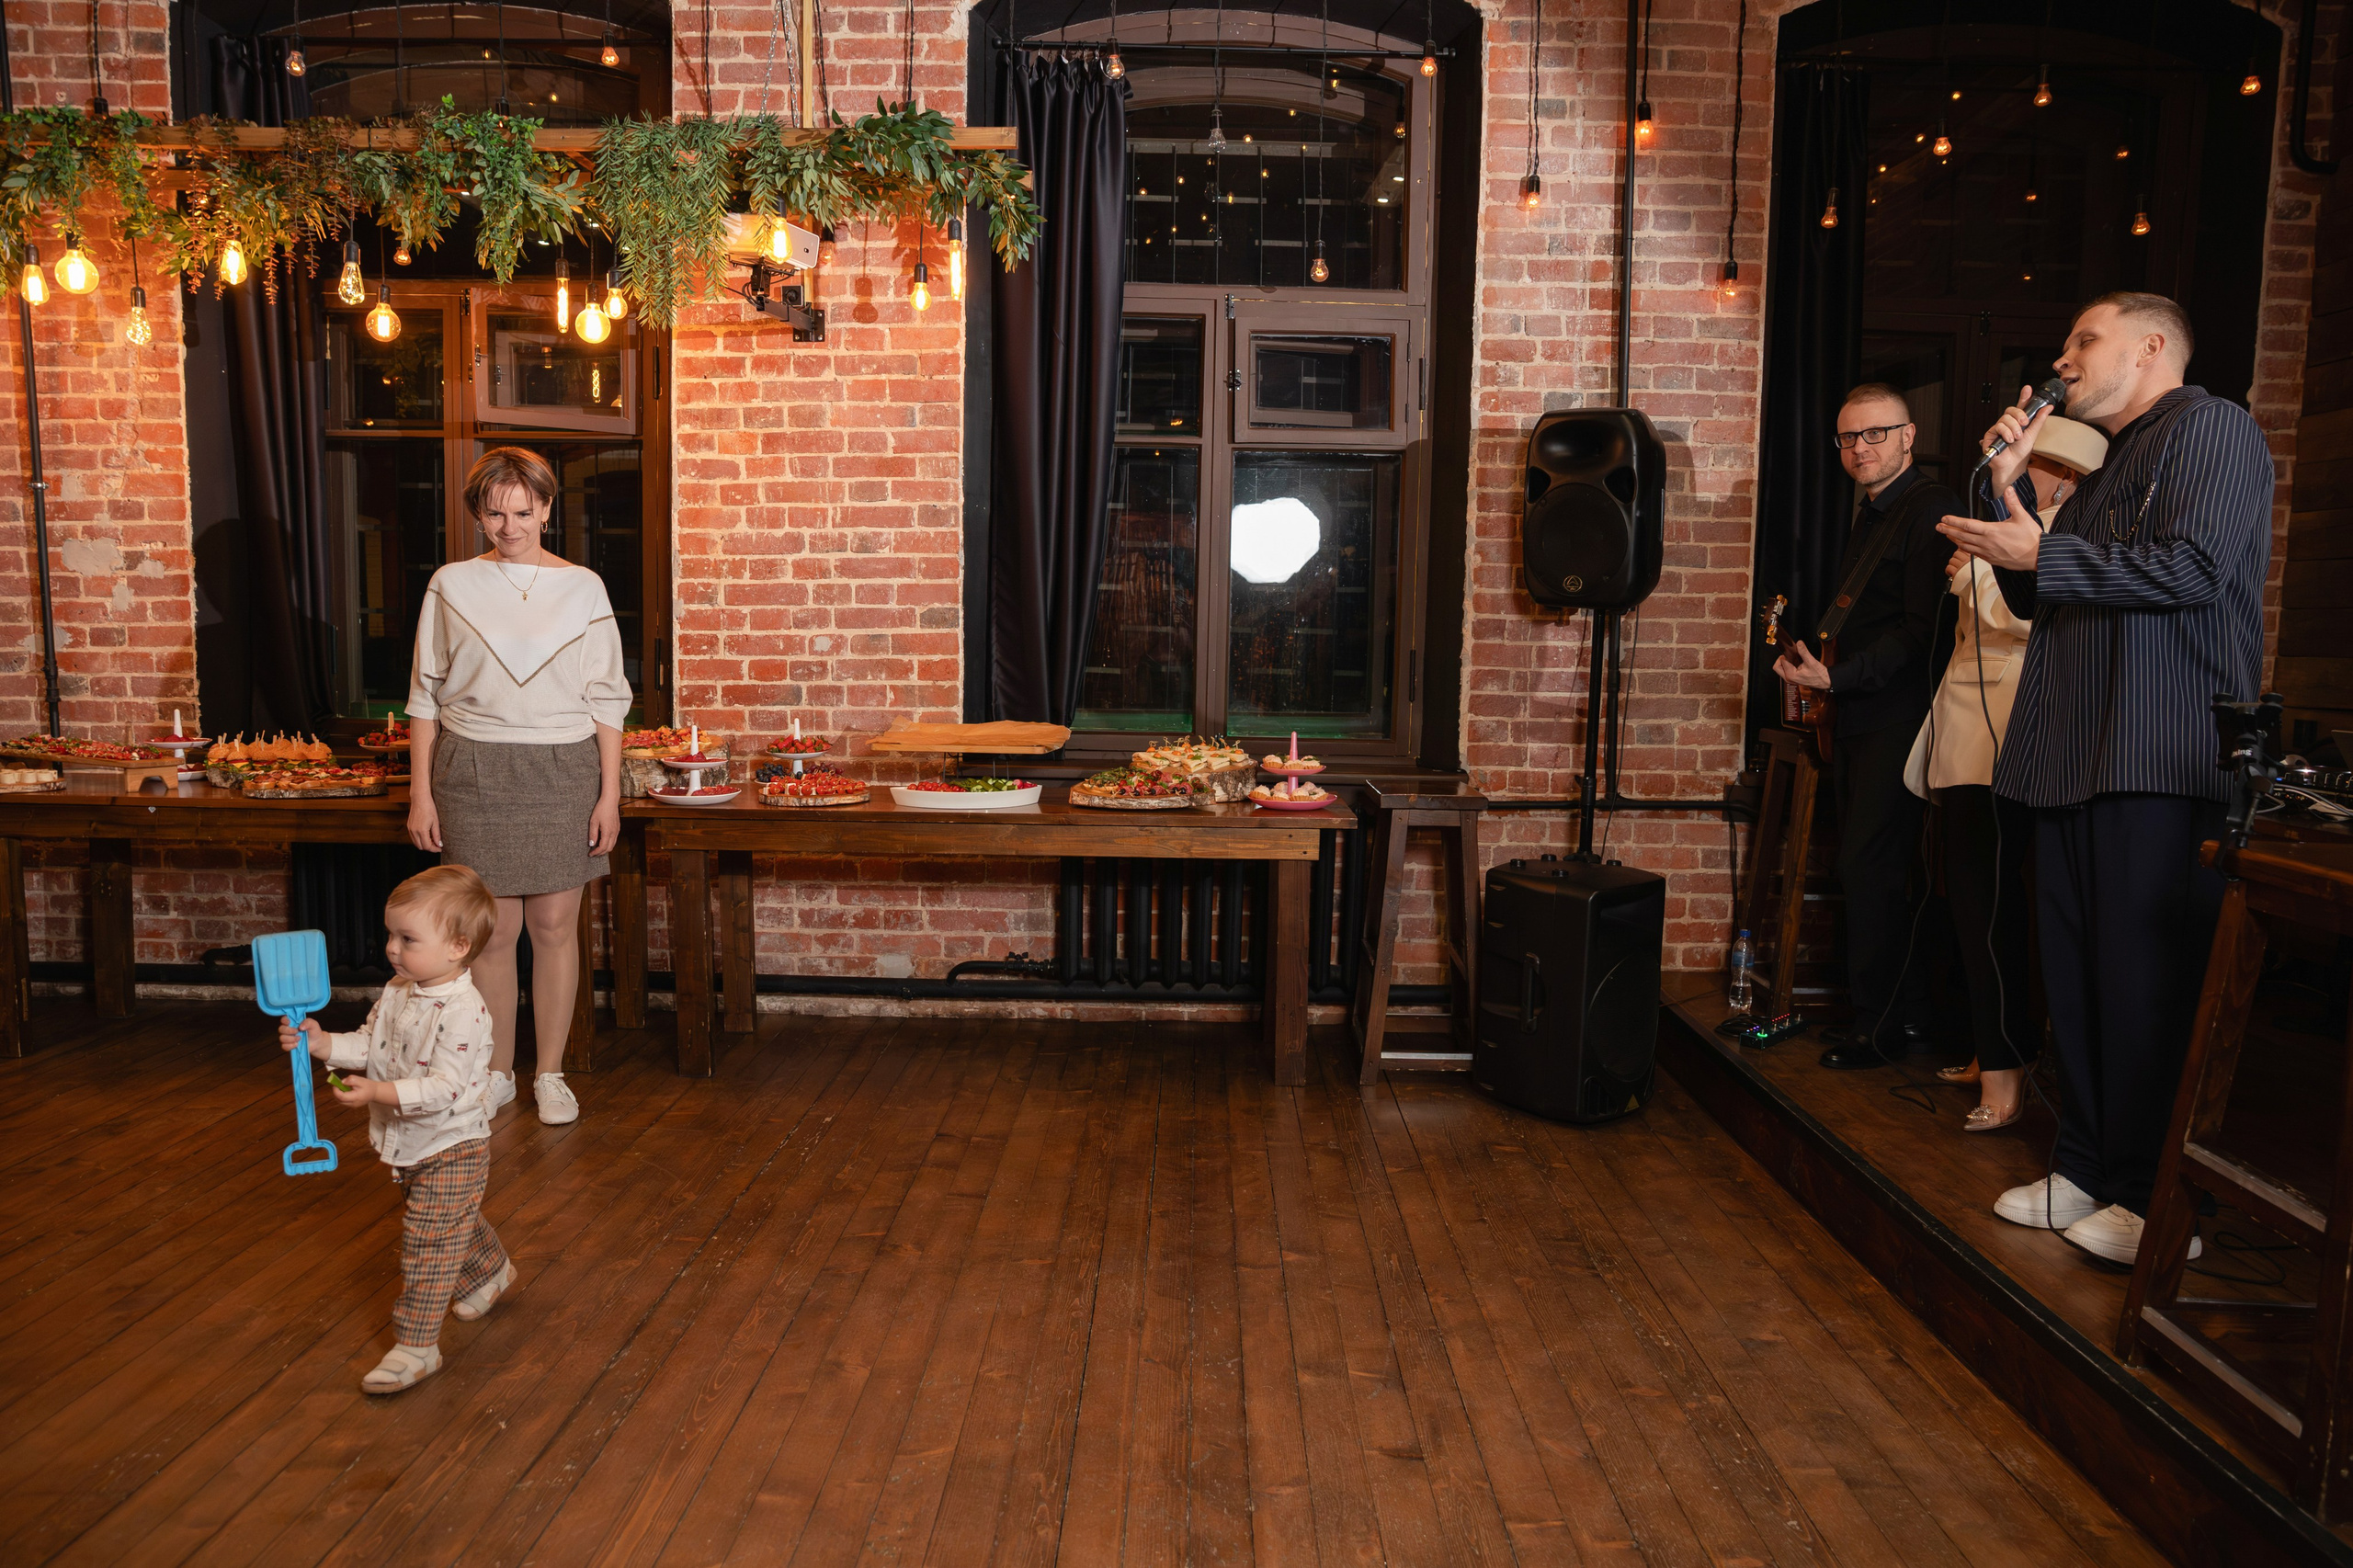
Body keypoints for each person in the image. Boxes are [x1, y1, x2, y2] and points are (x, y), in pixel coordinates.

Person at [1939, 292, 2271, 1266]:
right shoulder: (2108, 460)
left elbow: (2194, 569)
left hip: (2157, 756)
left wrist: (2047, 546)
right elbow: (2050, 591)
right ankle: (2085, 1163)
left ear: (2153, 345)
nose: (2066, 359)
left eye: (2085, 339)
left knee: (2146, 984)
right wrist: (2011, 499)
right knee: (2078, 979)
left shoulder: (2212, 428)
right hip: (2074, 754)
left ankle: (2156, 1198)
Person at [407, 448, 630, 1127]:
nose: (509, 527)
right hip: (473, 770)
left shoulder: (584, 587)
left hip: (564, 769)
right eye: (494, 513)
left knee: (556, 926)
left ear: (548, 509)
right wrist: (421, 793)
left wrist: (609, 794)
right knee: (494, 934)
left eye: (523, 512)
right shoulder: (451, 583)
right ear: (478, 513)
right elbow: (425, 695)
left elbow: (608, 700)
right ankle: (499, 1071)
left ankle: (552, 1073)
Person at [1904, 416, 2107, 1131]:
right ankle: (1993, 1048)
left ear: (2068, 476)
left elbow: (2040, 619)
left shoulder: (2063, 536)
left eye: (2037, 464)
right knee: (1972, 902)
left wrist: (1978, 574)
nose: (2019, 473)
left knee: (1993, 906)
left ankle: (2006, 1071)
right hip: (1965, 728)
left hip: (2011, 733)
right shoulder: (2012, 526)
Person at [1773, 384, 1961, 1069]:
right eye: (1848, 439)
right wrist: (1813, 663)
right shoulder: (1875, 512)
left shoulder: (1931, 508)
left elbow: (1923, 632)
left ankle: (1881, 1027)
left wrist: (1841, 678)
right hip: (1858, 716)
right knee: (1868, 870)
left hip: (1899, 717)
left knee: (1872, 868)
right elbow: (1865, 616)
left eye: (1874, 435)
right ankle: (1891, 1016)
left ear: (1909, 436)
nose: (1859, 449)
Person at [280, 865, 514, 1393]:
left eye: (408, 939)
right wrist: (322, 1044)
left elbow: (444, 1089)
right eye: (391, 934)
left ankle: (416, 1347)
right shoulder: (399, 989)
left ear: (457, 947)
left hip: (453, 1143)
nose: (392, 948)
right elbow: (371, 1045)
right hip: (407, 1142)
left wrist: (377, 1092)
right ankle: (490, 1270)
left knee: (427, 1242)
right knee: (449, 1219)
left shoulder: (464, 1012)